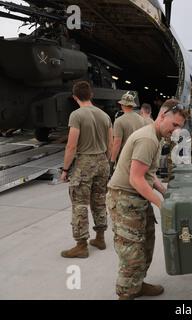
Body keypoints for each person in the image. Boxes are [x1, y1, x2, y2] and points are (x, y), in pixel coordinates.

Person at [106, 99, 188, 300]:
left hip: (137, 198)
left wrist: (163, 191)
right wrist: (162, 204)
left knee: (146, 244)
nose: (175, 130)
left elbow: (148, 174)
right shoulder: (148, 139)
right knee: (132, 252)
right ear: (162, 116)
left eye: (179, 127)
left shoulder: (156, 137)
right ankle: (126, 294)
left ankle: (137, 285)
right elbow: (136, 178)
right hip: (125, 199)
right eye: (174, 125)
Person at [60, 81, 113, 258]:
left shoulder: (76, 115)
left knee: (80, 204)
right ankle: (100, 237)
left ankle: (81, 245)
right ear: (91, 95)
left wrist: (65, 169)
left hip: (84, 164)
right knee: (99, 202)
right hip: (102, 162)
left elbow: (71, 146)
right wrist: (106, 163)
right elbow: (111, 144)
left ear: (75, 97)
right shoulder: (104, 116)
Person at [110, 93, 146, 166]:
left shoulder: (119, 121)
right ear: (132, 105)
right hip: (139, 157)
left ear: (122, 105)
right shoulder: (142, 120)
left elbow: (117, 143)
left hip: (125, 158)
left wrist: (112, 161)